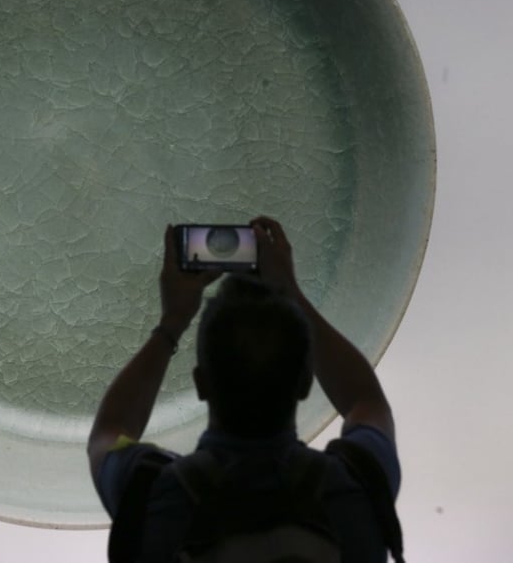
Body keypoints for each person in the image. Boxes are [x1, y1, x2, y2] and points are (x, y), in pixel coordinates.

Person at [88, 217, 402, 561]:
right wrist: (291, 292)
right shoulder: (358, 488)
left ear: (200, 384)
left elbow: (107, 434)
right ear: (304, 382)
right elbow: (367, 401)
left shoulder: (153, 495)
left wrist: (172, 322)